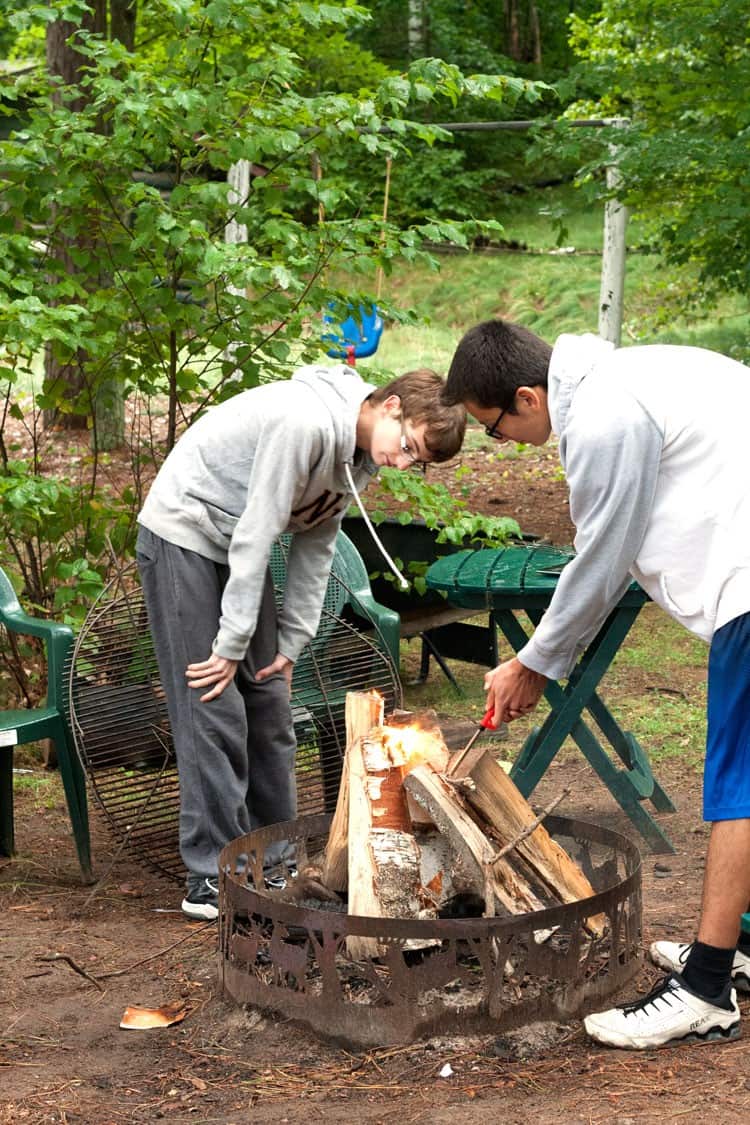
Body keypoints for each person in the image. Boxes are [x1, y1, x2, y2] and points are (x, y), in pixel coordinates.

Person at [442, 318, 750, 1050]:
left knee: (738, 785)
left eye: (493, 428)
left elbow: (603, 555)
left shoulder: (607, 413)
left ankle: (707, 988)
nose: (502, 443)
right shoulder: (627, 379)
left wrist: (535, 661)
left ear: (526, 395)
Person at [137, 363, 466, 920]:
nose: (404, 463)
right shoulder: (305, 425)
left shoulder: (357, 461)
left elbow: (314, 551)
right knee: (212, 699)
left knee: (269, 699)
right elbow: (259, 530)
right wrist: (230, 644)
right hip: (186, 533)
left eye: (418, 461)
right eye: (408, 446)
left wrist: (291, 645)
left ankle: (278, 859)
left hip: (236, 547)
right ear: (390, 407)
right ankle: (214, 874)